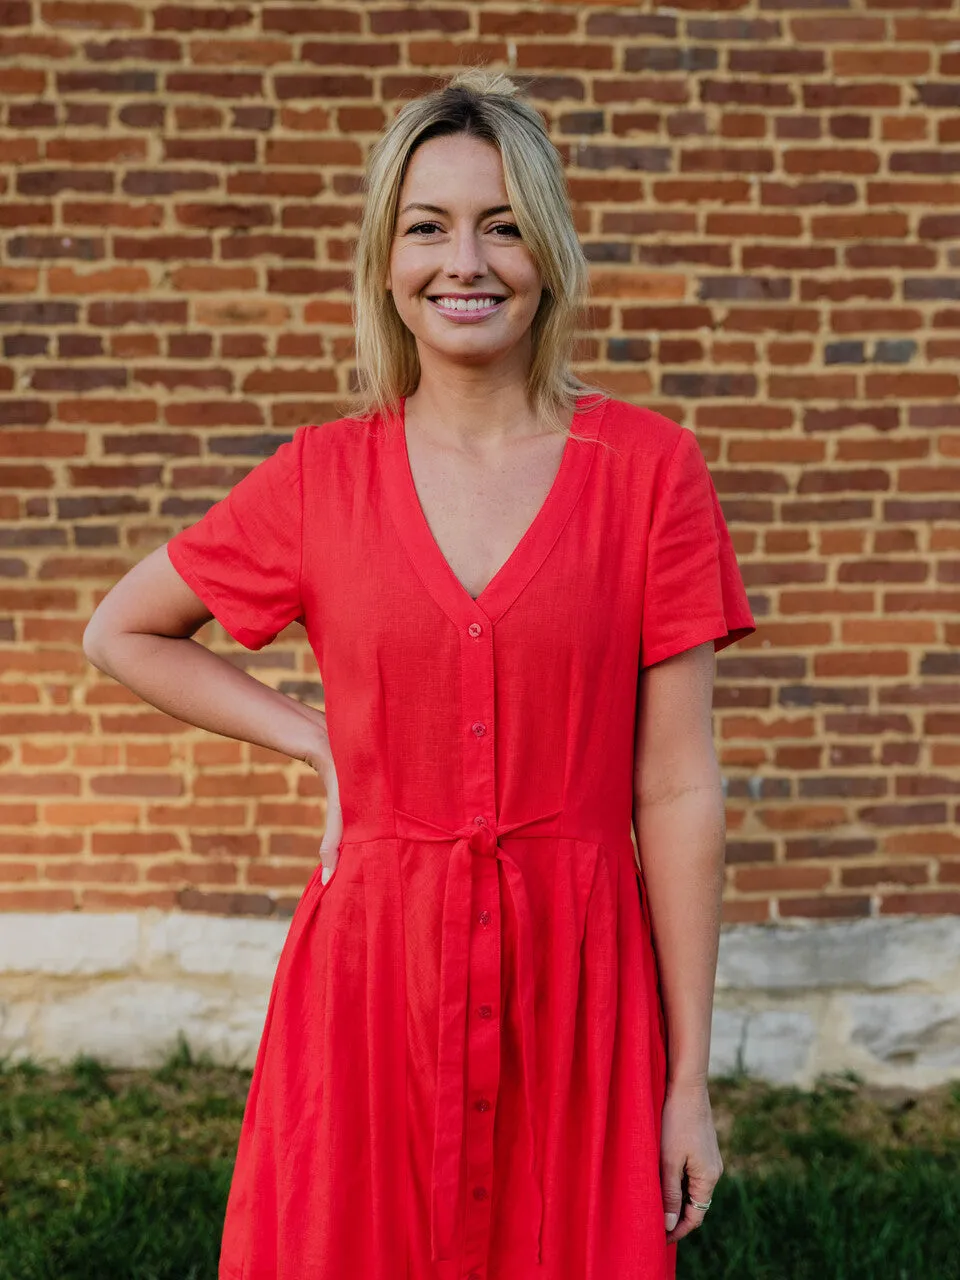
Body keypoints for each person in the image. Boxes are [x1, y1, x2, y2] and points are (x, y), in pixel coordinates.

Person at [83, 67, 755, 1280]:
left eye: (503, 224)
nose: (468, 261)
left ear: (546, 250)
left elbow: (679, 789)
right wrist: (317, 741)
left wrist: (687, 1075)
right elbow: (123, 629)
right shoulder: (320, 476)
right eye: (429, 225)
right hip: (373, 982)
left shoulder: (651, 473)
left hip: (580, 988)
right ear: (386, 260)